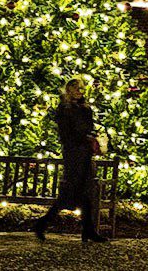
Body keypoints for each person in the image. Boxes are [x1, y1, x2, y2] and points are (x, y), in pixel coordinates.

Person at [32, 79, 108, 243]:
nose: (80, 91)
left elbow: (88, 127)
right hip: (74, 156)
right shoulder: (65, 110)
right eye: (76, 89)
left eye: (82, 88)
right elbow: (66, 135)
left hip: (85, 155)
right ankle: (43, 223)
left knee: (84, 193)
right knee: (70, 193)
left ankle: (88, 230)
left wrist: (92, 138)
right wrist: (84, 137)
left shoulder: (85, 109)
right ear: (69, 90)